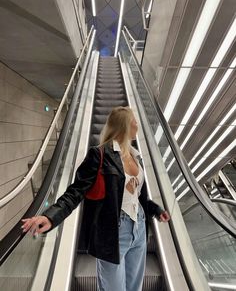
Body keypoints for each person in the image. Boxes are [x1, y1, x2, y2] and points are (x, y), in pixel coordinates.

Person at [22, 106, 170, 291]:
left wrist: (156, 210)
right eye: (134, 122)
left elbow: (139, 197)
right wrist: (51, 216)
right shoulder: (99, 154)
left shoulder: (135, 156)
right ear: (124, 125)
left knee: (134, 287)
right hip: (113, 230)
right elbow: (76, 191)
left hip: (139, 228)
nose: (137, 125)